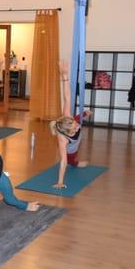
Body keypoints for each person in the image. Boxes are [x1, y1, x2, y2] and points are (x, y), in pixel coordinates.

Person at [49, 60, 92, 189]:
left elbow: (67, 97)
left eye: (75, 124)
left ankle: (52, 125)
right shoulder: (63, 140)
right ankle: (76, 163)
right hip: (70, 149)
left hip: (73, 139)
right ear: (67, 132)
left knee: (74, 117)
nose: (78, 126)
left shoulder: (68, 118)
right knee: (71, 159)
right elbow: (63, 161)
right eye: (75, 127)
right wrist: (60, 182)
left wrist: (65, 75)